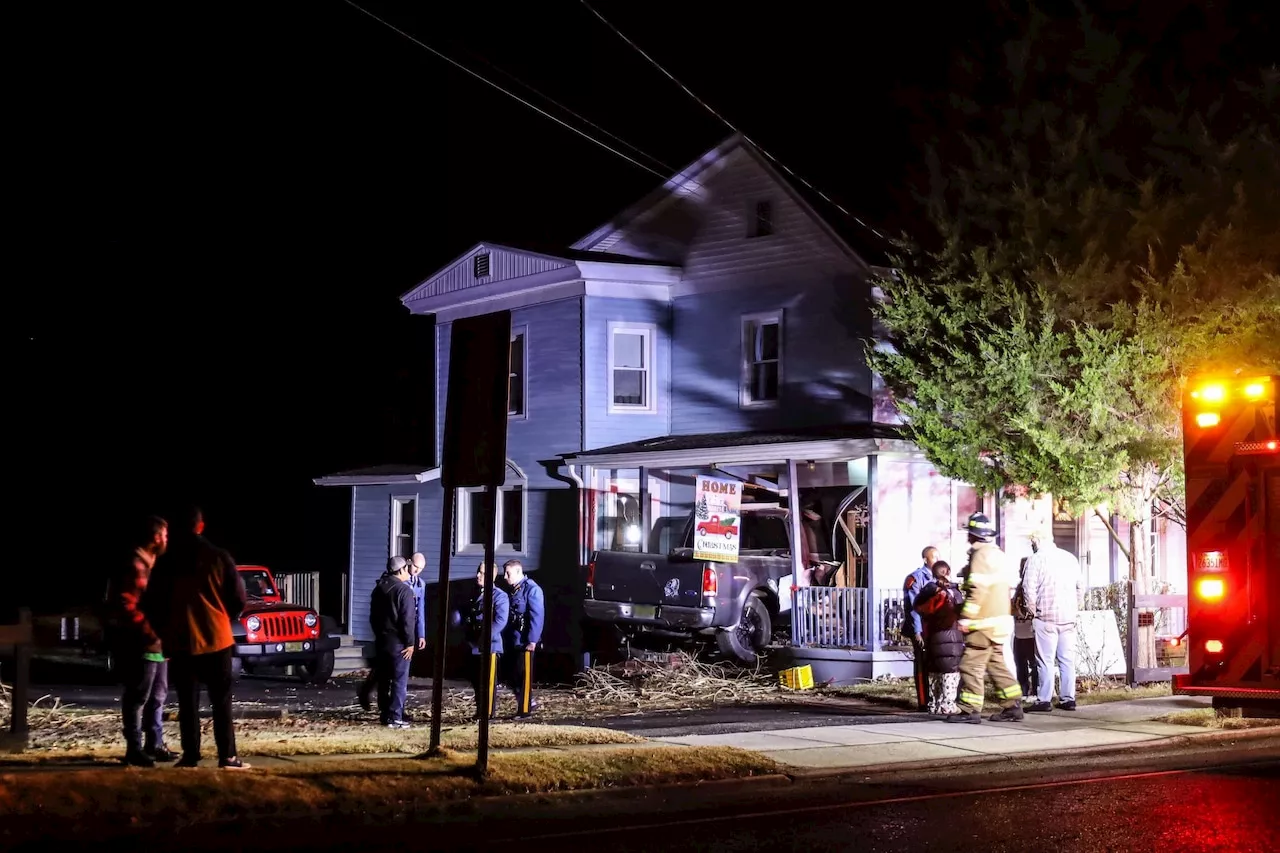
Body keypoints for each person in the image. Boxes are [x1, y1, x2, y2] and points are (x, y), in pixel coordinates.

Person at [145, 507, 250, 769]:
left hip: (182, 639)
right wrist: (221, 614)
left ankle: (191, 755)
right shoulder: (219, 556)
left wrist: (164, 630)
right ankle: (227, 755)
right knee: (221, 700)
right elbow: (238, 598)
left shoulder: (167, 561)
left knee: (187, 701)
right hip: (217, 637)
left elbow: (154, 601)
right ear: (201, 526)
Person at [105, 514, 175, 767]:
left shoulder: (151, 564)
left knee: (157, 695)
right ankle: (134, 748)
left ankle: (154, 743)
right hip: (143, 643)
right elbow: (127, 606)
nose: (168, 539)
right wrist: (150, 633)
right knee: (137, 697)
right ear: (156, 538)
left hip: (157, 643)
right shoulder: (136, 565)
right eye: (165, 535)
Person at [947, 512, 1024, 724]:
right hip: (1000, 622)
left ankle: (969, 710)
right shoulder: (998, 554)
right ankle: (1013, 705)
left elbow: (977, 589)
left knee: (970, 665)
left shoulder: (980, 555)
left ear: (972, 535)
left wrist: (966, 617)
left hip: (982, 623)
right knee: (996, 664)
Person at [1022, 529, 1085, 712]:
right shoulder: (1070, 559)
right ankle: (1068, 699)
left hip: (1046, 617)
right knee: (1067, 660)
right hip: (1068, 618)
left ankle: (1044, 699)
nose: (1032, 546)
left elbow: (1029, 588)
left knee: (1045, 660)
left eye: (1032, 543)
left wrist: (1032, 611)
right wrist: (1075, 607)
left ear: (1037, 542)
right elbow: (1080, 587)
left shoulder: (1036, 559)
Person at [369, 555, 416, 729]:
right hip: (398, 642)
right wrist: (410, 643)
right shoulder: (404, 590)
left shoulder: (379, 588)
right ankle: (396, 717)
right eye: (407, 568)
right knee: (399, 680)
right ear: (401, 570)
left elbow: (372, 617)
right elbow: (407, 620)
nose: (409, 572)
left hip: (382, 640)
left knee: (384, 679)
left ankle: (385, 713)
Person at [913, 560, 965, 717]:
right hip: (952, 636)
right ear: (947, 572)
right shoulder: (953, 593)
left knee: (935, 671)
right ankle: (948, 704)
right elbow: (961, 611)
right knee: (951, 672)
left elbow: (918, 607)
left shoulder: (927, 592)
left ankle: (935, 704)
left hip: (934, 637)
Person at [458, 562, 509, 720]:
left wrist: (484, 636)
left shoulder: (499, 596)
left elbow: (500, 620)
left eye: (482, 573)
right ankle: (480, 711)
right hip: (474, 645)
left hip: (490, 645)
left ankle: (487, 714)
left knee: (488, 682)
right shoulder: (475, 593)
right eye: (478, 572)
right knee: (476, 681)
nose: (477, 575)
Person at [502, 559, 544, 718]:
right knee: (513, 676)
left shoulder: (532, 590)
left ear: (518, 572)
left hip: (525, 642)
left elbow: (536, 616)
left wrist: (532, 640)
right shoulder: (514, 590)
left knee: (523, 676)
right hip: (514, 640)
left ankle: (525, 710)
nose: (505, 576)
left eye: (508, 573)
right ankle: (527, 703)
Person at [902, 546, 939, 711]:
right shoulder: (916, 578)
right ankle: (924, 701)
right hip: (921, 628)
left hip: (936, 627)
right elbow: (914, 608)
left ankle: (939, 699)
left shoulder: (939, 577)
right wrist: (917, 632)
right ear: (925, 559)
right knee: (922, 665)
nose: (937, 560)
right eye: (934, 557)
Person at [1012, 556, 1039, 700]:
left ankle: (1035, 691)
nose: (1020, 571)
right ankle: (1023, 690)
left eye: (1023, 568)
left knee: (1033, 663)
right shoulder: (1018, 587)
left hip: (1030, 631)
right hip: (1019, 630)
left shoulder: (1033, 586)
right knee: (1019, 662)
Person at [409, 552, 428, 652]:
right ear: (410, 563)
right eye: (415, 566)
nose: (417, 570)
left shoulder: (421, 584)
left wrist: (421, 635)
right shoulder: (401, 581)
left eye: (420, 568)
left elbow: (421, 610)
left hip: (412, 625)